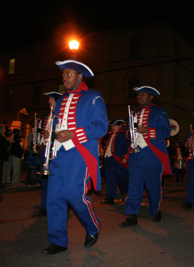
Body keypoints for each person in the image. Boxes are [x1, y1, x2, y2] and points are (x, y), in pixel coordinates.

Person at [41, 59, 108, 254]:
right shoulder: (61, 99)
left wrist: (74, 133)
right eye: (63, 75)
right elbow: (60, 125)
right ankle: (58, 241)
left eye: (68, 74)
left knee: (73, 194)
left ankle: (93, 227)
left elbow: (101, 127)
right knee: (53, 198)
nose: (64, 78)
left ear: (80, 76)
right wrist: (50, 133)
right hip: (58, 153)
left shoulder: (93, 96)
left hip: (80, 153)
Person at [119, 86, 172, 226]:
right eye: (138, 94)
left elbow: (166, 132)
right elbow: (129, 132)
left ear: (151, 97)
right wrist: (127, 133)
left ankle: (156, 210)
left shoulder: (159, 112)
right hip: (135, 154)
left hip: (152, 154)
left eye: (143, 94)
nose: (139, 96)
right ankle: (131, 215)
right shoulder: (134, 113)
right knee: (134, 186)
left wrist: (147, 130)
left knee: (153, 185)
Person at [33, 91, 63, 217]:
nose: (49, 101)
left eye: (51, 99)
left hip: (57, 152)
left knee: (58, 182)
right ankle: (45, 206)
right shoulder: (47, 116)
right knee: (45, 181)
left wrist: (52, 135)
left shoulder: (62, 116)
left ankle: (60, 206)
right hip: (46, 151)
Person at [101, 119, 130, 205]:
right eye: (112, 126)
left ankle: (131, 193)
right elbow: (106, 144)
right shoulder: (110, 135)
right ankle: (110, 197)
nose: (113, 127)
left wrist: (126, 156)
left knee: (124, 177)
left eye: (115, 125)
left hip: (119, 159)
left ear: (120, 125)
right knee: (110, 179)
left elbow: (129, 146)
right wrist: (104, 150)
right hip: (109, 159)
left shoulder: (124, 135)